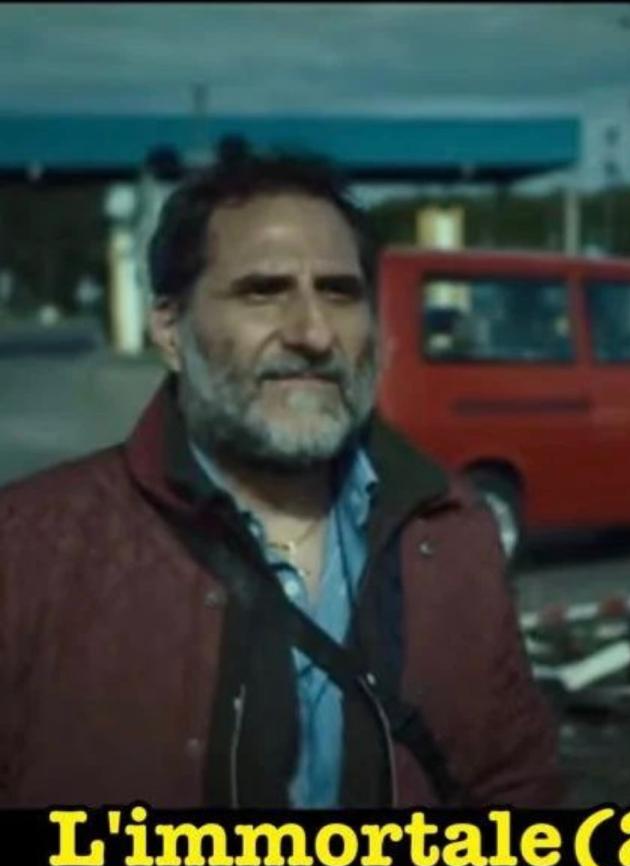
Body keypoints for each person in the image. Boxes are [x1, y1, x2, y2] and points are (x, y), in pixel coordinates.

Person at [0, 152, 563, 809]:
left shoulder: (449, 530)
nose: (313, 334)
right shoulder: (31, 548)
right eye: (263, 292)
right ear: (170, 329)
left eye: (339, 292)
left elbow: (513, 782)